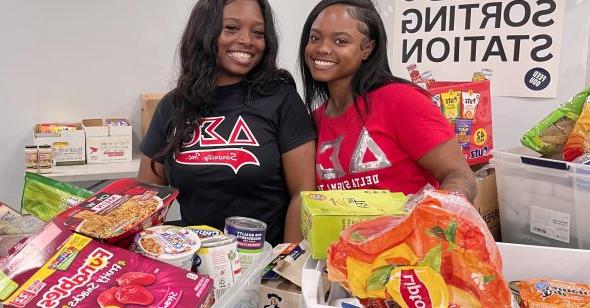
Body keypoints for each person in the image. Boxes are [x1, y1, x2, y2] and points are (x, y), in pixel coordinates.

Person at [138, 0, 316, 245]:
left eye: (258, 33)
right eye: (231, 28)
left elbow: (303, 194)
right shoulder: (174, 105)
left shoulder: (281, 99)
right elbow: (147, 199)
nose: (247, 40)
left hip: (264, 268)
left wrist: (285, 267)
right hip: (196, 267)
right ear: (205, 32)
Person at [298, 0, 477, 201]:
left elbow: (460, 175)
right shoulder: (314, 120)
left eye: (340, 41)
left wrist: (435, 217)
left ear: (367, 48)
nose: (322, 48)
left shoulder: (401, 100)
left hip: (411, 231)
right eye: (315, 38)